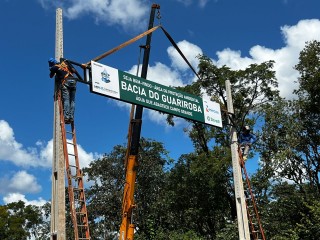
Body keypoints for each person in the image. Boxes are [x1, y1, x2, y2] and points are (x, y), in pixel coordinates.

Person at [48, 58, 77, 124]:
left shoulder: (55, 67)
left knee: (66, 100)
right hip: (73, 81)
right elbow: (74, 71)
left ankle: (67, 117)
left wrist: (53, 70)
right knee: (72, 100)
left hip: (66, 82)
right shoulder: (66, 63)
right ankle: (71, 117)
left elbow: (51, 76)